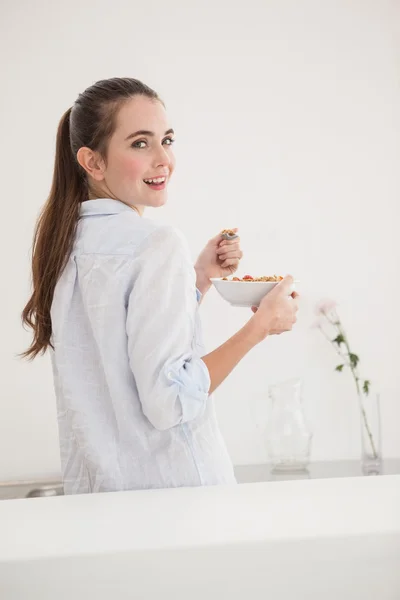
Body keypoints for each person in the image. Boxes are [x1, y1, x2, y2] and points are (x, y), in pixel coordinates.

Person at [21, 77, 299, 494]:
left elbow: (123, 343)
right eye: (140, 143)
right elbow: (169, 403)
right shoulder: (156, 243)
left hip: (98, 501)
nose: (163, 159)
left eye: (166, 139)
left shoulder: (65, 242)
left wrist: (198, 279)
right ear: (93, 162)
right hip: (176, 500)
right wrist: (260, 328)